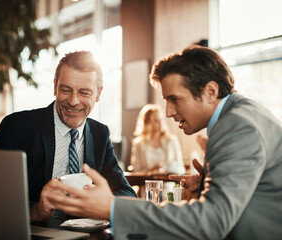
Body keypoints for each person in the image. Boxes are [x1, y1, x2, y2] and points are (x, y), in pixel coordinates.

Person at [43, 46, 282, 239]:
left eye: (174, 99)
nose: (168, 112)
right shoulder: (242, 115)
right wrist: (208, 184)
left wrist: (111, 207)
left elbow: (213, 221)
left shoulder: (237, 126)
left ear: (210, 91)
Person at [0, 51, 136, 222]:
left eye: (84, 93)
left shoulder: (100, 134)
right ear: (54, 87)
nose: (73, 101)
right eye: (66, 90)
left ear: (98, 93)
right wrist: (35, 211)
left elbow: (126, 193)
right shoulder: (18, 126)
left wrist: (102, 203)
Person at [130, 104, 185, 174]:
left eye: (161, 119)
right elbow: (136, 171)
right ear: (147, 123)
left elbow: (182, 169)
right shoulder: (138, 144)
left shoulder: (172, 140)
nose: (160, 123)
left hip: (169, 183)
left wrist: (170, 171)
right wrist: (151, 170)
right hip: (147, 183)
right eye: (156, 121)